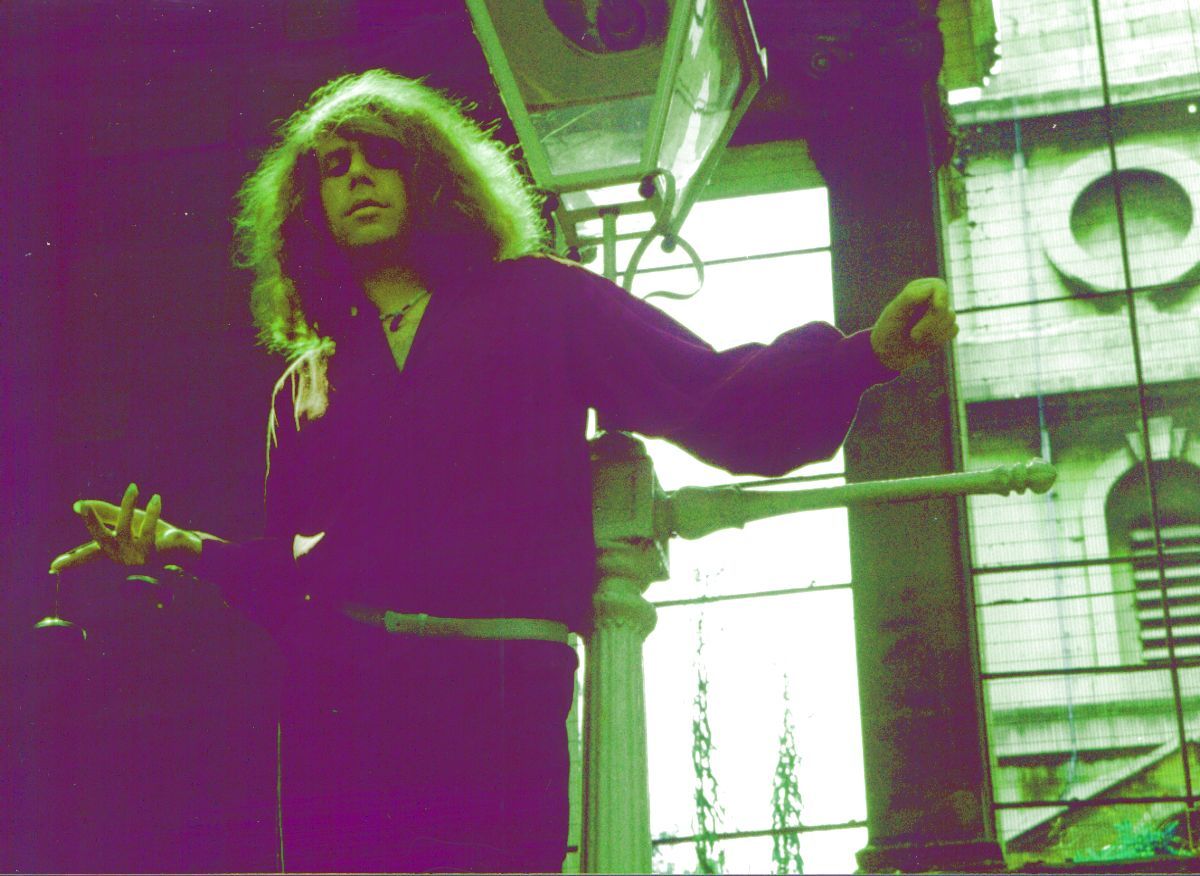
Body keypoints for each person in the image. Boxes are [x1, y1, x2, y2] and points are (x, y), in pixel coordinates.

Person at [50, 69, 957, 873]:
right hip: (342, 713)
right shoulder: (305, 384)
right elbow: (297, 580)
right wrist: (179, 547)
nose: (358, 176)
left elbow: (709, 392)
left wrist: (865, 356)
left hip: (499, 696)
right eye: (334, 166)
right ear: (308, 207)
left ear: (430, 176)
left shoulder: (543, 300)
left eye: (380, 156)